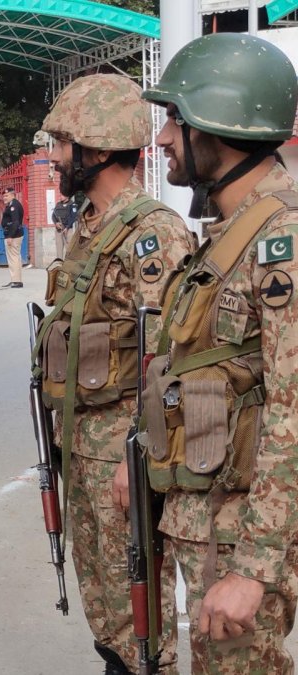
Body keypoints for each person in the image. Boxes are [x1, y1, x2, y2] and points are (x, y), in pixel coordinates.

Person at [140, 33, 298, 674]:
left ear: (216, 121)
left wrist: (255, 568)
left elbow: (293, 410)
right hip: (209, 527)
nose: (163, 139)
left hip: (240, 544)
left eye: (173, 120)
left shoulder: (282, 240)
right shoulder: (232, 235)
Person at [37, 73, 194, 674]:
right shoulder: (89, 225)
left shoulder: (152, 233)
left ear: (98, 149)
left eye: (62, 143)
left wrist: (142, 454)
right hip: (82, 440)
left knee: (140, 612)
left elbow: (169, 357)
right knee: (103, 602)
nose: (54, 156)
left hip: (122, 448)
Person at [0, 188, 25, 287]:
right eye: (3, 196)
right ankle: (15, 279)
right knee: (15, 258)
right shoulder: (11, 204)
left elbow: (15, 222)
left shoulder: (14, 206)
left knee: (13, 258)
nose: (4, 198)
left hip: (13, 235)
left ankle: (16, 281)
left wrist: (10, 236)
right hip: (13, 234)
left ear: (12, 195)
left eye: (6, 196)